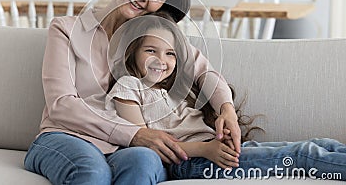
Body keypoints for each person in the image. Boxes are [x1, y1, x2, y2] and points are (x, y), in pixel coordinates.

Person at [24, 0, 241, 185]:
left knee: (144, 162)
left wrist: (226, 109)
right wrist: (135, 134)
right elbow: (61, 105)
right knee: (93, 172)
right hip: (66, 137)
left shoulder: (152, 38)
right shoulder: (66, 29)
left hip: (127, 148)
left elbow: (204, 70)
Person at [105, 12, 346, 181]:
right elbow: (146, 144)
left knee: (322, 144)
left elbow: (208, 78)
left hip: (214, 151)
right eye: (150, 50)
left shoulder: (169, 89)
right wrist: (205, 150)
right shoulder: (128, 87)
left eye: (170, 53)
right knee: (303, 156)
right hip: (193, 163)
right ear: (132, 51)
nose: (162, 60)